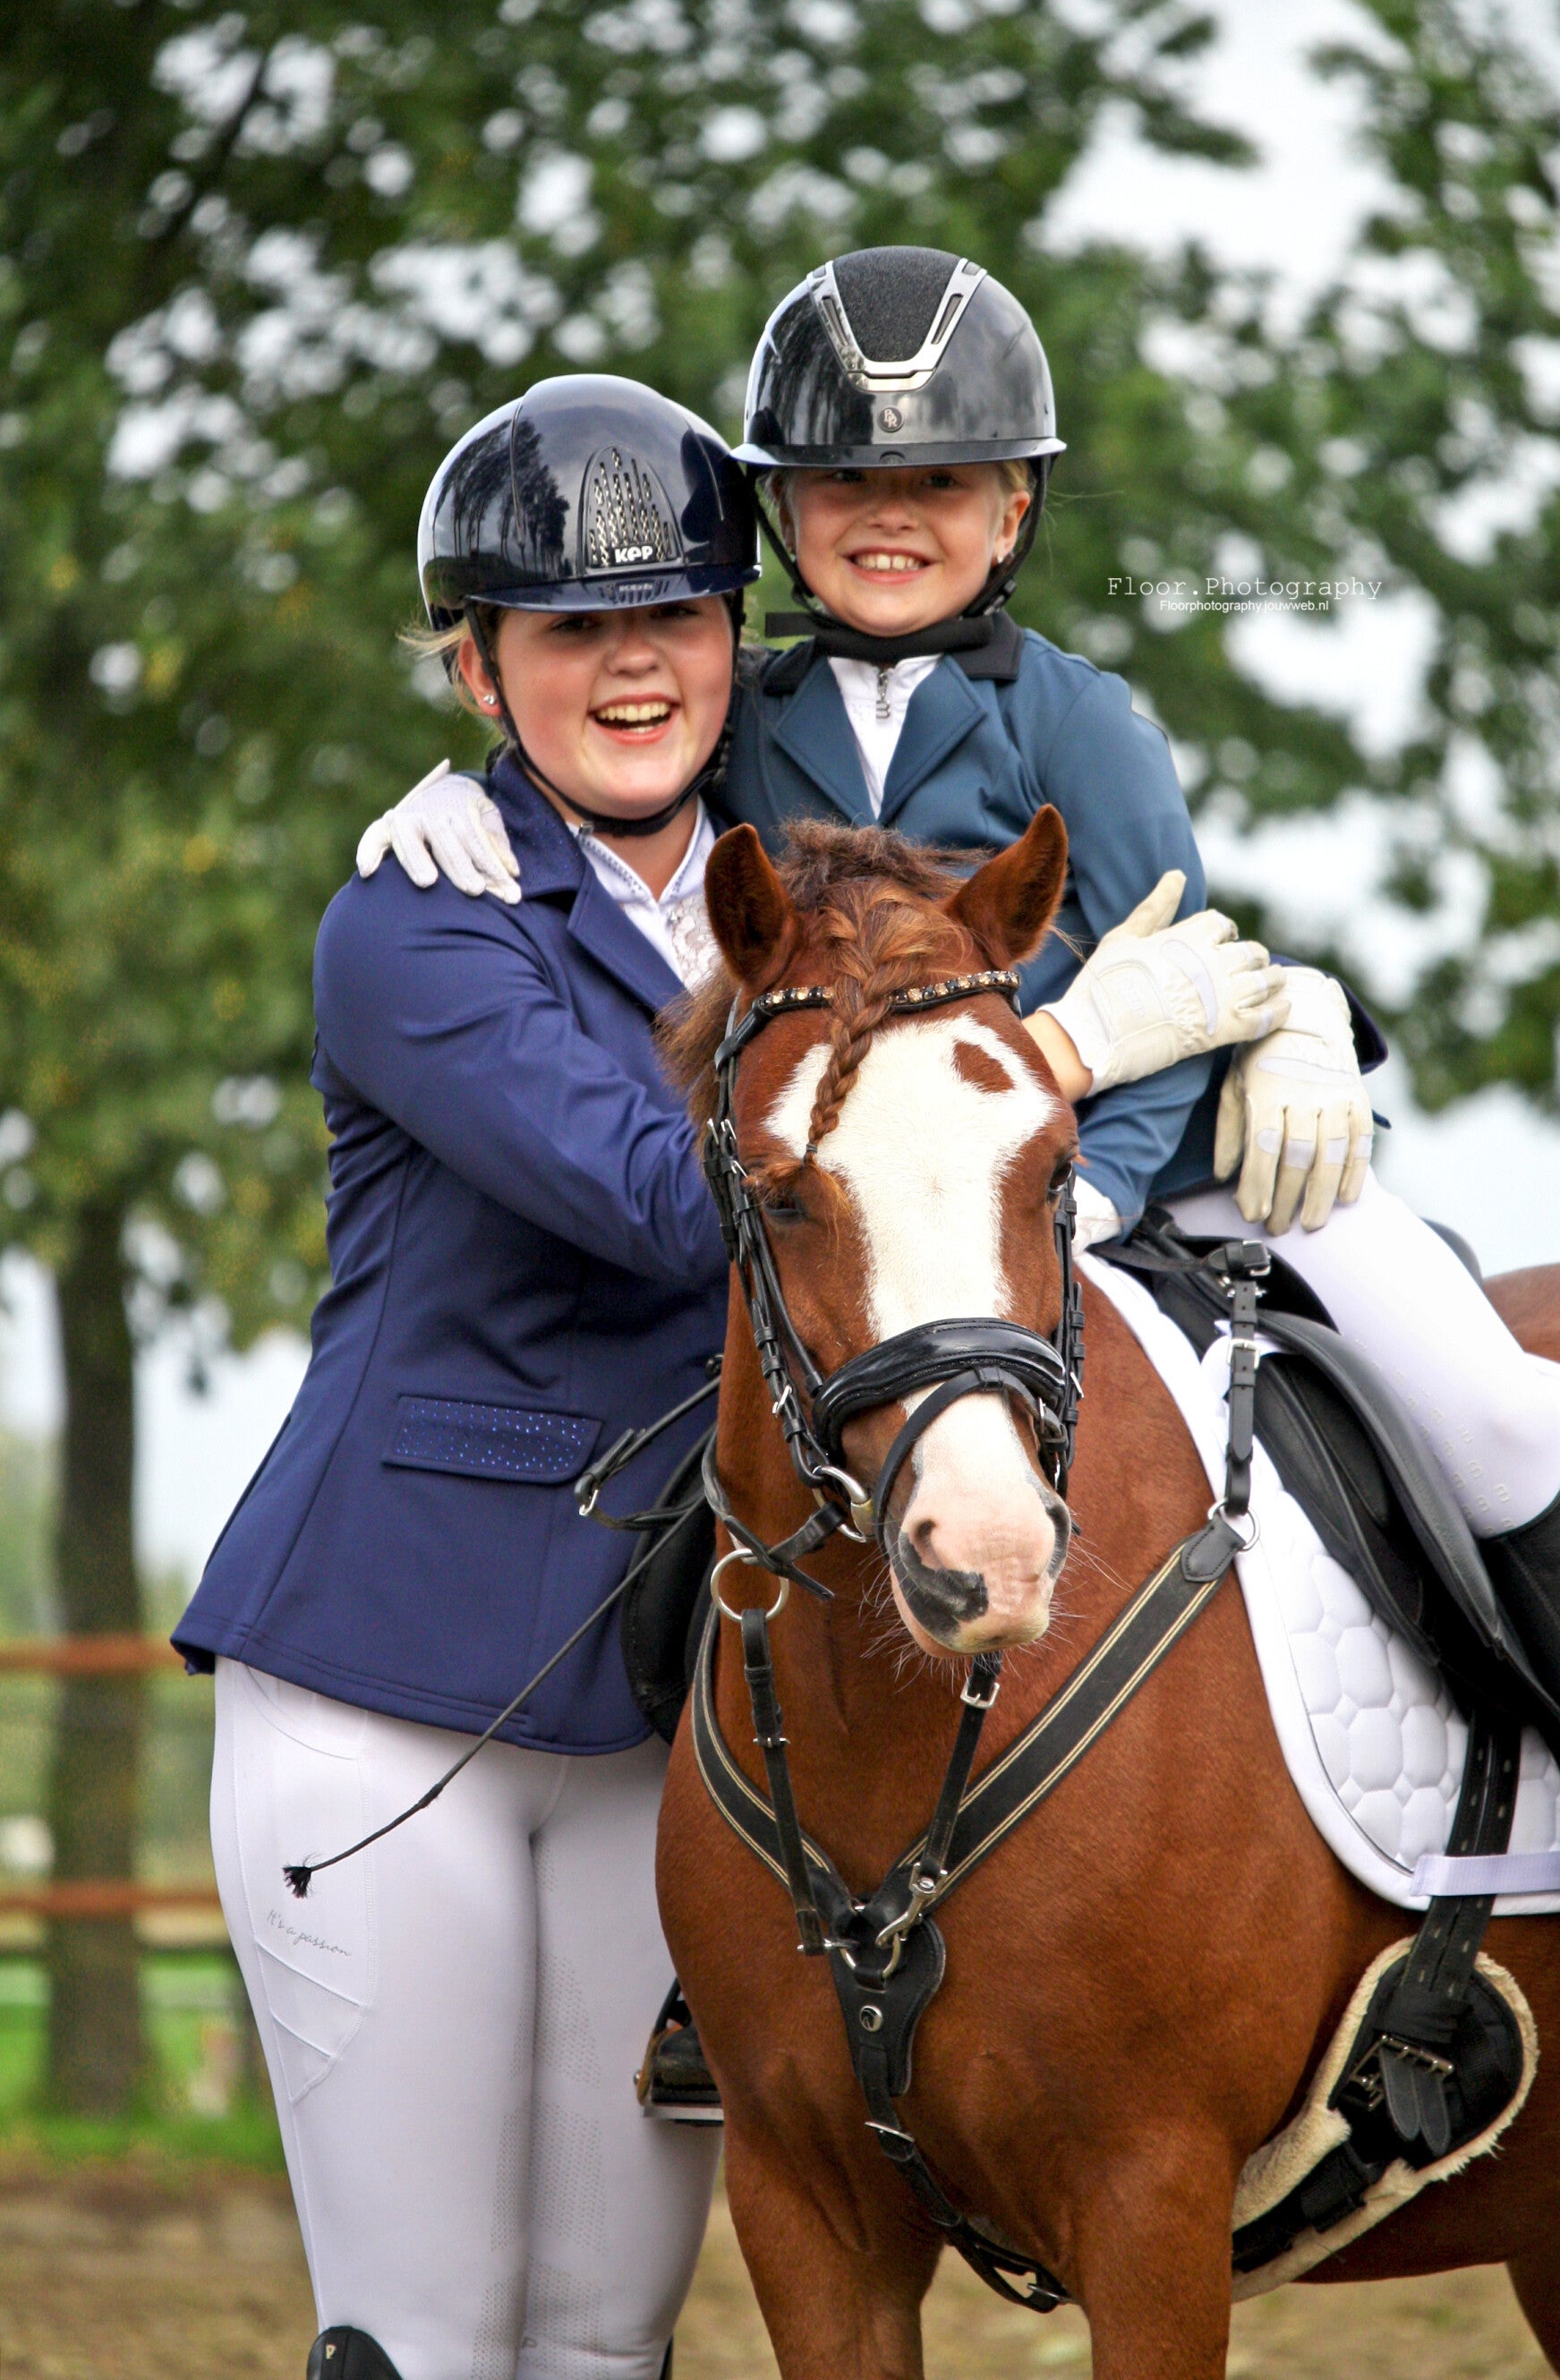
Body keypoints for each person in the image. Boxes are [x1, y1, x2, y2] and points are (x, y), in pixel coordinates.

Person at [367, 249, 1560, 2063]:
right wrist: (453, 791)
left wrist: (1138, 1150)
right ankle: (734, 1938)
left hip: (1171, 1166)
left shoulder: (1083, 716)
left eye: (939, 482)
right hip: (899, 1211)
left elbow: (1174, 969)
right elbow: (616, 804)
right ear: (780, 515)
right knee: (725, 1479)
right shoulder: (740, 716)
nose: (891, 518)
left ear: (1013, 509)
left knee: (1478, 1400)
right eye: (846, 484)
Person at [175, 368, 1279, 2380]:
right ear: (477, 664)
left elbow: (1035, 989)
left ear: (734, 635)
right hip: (398, 1681)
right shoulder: (422, 918)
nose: (634, 665)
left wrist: (1286, 1019)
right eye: (567, 628)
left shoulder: (805, 897)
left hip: (669, 1715)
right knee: (431, 2334)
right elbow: (678, 1201)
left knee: (609, 2338)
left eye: (674, 615)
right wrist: (1061, 1052)